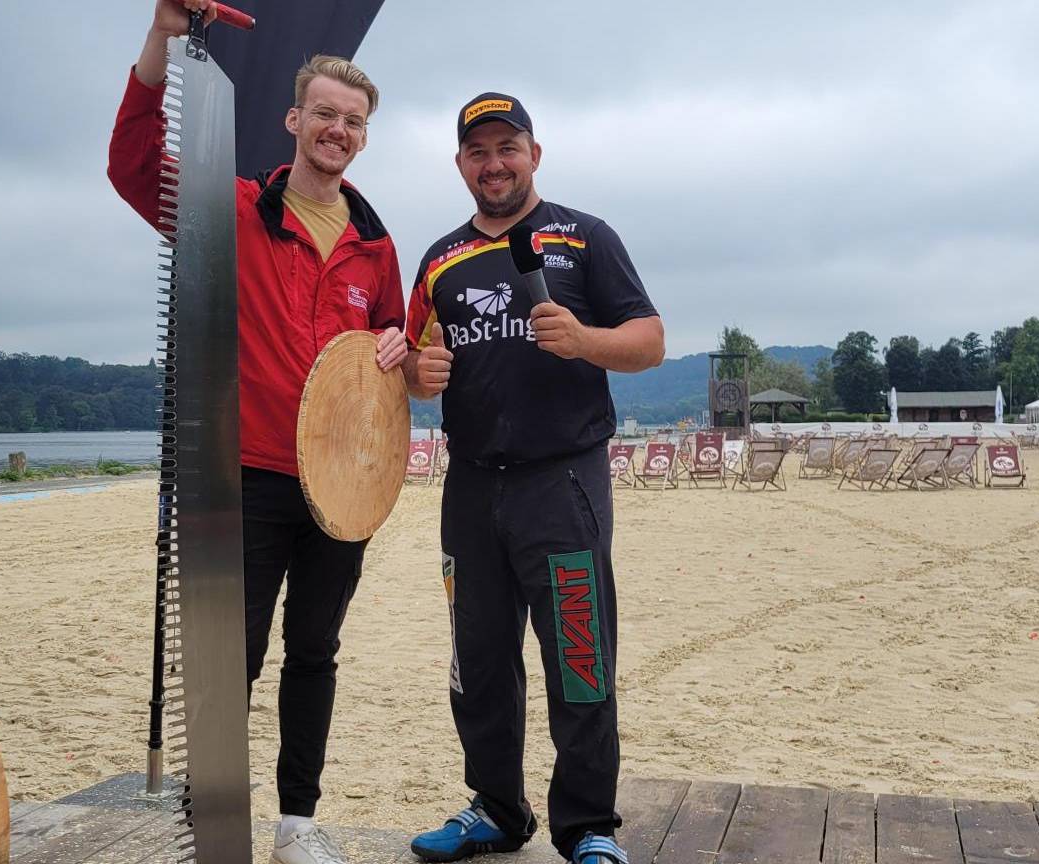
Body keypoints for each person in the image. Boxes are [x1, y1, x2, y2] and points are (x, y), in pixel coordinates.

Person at [108, 2, 407, 862]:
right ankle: (216, 821)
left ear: (362, 137)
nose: (337, 131)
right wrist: (160, 42)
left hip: (341, 489)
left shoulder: (377, 247)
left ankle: (297, 825)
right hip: (249, 475)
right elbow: (131, 168)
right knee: (230, 657)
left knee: (315, 652)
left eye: (352, 122)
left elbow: (393, 360)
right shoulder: (230, 210)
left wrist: (404, 347)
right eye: (323, 114)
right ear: (293, 121)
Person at [401, 93, 665, 863]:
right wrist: (421, 372)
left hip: (564, 482)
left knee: (578, 657)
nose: (494, 163)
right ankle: (495, 809)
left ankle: (587, 828)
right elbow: (416, 364)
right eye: (478, 151)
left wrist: (584, 339)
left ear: (534, 155)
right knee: (477, 658)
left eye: (507, 147)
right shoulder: (442, 258)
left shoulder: (585, 238)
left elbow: (649, 340)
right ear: (461, 165)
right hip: (472, 485)